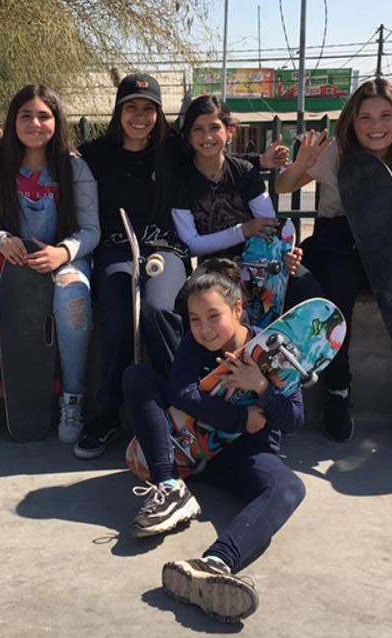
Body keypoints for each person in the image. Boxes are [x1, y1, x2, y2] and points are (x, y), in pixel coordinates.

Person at [76, 78, 292, 459]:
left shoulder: (171, 148)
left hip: (166, 248)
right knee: (116, 305)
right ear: (118, 112)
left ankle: (192, 399)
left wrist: (262, 162)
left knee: (161, 308)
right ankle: (107, 411)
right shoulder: (96, 152)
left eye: (148, 108)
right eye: (132, 108)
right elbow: (53, 159)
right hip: (117, 248)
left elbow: (212, 152)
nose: (140, 117)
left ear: (159, 114)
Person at [123, 259, 306, 624]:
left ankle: (214, 564)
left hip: (243, 455)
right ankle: (170, 487)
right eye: (194, 319)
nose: (204, 329)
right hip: (189, 449)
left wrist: (262, 388)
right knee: (137, 378)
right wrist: (241, 417)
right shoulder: (194, 347)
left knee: (289, 487)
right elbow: (181, 391)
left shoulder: (271, 350)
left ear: (238, 310)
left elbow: (295, 420)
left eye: (213, 316)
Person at [275, 78, 392, 443]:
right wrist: (302, 163)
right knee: (337, 287)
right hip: (336, 239)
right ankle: (338, 390)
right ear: (352, 122)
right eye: (365, 117)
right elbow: (283, 187)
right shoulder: (337, 152)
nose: (375, 126)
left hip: (386, 243)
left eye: (385, 116)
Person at [0, 83, 100, 450]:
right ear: (13, 121)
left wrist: (63, 252)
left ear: (57, 121)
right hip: (3, 261)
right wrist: (0, 240)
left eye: (44, 116)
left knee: (74, 303)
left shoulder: (75, 168)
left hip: (62, 259)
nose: (35, 123)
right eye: (26, 115)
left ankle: (72, 402)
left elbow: (91, 229)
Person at [171, 94, 320, 297]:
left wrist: (286, 252)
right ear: (188, 135)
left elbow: (270, 227)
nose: (207, 137)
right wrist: (243, 230)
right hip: (215, 268)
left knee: (305, 285)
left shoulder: (245, 171)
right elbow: (191, 244)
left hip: (260, 260)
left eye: (215, 128)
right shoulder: (181, 180)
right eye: (198, 129)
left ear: (230, 131)